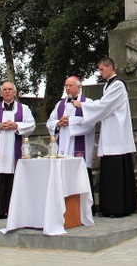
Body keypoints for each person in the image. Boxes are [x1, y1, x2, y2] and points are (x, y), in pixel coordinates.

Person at [71, 57, 137, 217]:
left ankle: (119, 207)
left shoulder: (118, 85)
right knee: (110, 170)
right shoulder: (108, 86)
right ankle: (110, 207)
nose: (100, 72)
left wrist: (83, 105)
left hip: (117, 133)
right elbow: (104, 105)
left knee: (116, 170)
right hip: (110, 131)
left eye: (102, 69)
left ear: (110, 67)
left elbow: (104, 105)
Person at [0, 82, 36, 219]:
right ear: (0, 93)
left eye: (10, 89)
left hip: (15, 151)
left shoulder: (24, 109)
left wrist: (16, 125)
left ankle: (15, 211)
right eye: (4, 90)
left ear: (15, 92)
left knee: (14, 178)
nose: (7, 92)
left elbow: (31, 125)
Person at [47, 75, 96, 211]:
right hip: (63, 146)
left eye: (70, 85)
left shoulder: (88, 102)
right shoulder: (60, 104)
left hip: (80, 147)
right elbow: (50, 122)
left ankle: (85, 209)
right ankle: (66, 208)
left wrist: (71, 122)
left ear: (78, 87)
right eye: (66, 86)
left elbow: (91, 122)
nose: (67, 88)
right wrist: (58, 123)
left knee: (81, 176)